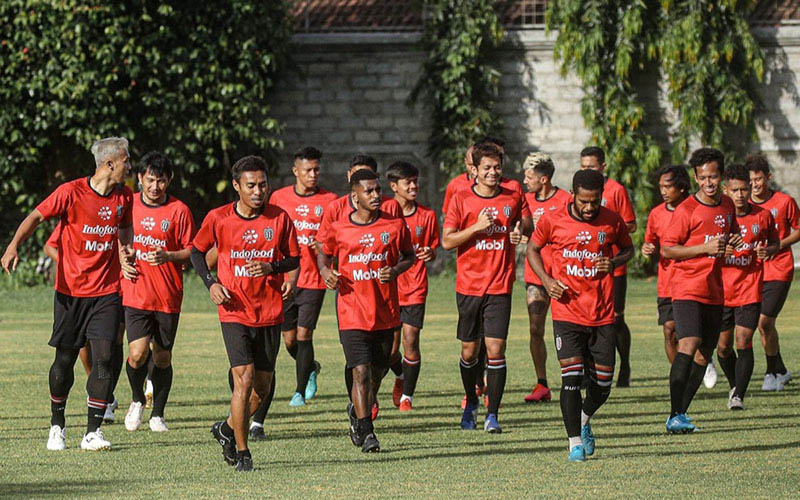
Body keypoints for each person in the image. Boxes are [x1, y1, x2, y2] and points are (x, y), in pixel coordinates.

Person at [2, 137, 133, 451]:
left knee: (104, 359)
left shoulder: (124, 196)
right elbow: (35, 217)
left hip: (107, 292)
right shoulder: (71, 193)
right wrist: (12, 246)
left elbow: (125, 226)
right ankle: (57, 424)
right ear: (109, 164)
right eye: (126, 161)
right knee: (64, 360)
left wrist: (126, 248)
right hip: (71, 294)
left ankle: (92, 432)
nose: (129, 166)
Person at [191, 155, 300, 472]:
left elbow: (293, 259)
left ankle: (226, 429)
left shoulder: (279, 219)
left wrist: (272, 267)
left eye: (263, 184)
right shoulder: (219, 218)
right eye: (250, 185)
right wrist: (211, 283)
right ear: (236, 186)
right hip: (234, 310)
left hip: (269, 312)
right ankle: (242, 452)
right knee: (244, 379)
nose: (257, 191)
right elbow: (197, 252)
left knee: (261, 389)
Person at [527, 168, 633, 462]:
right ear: (573, 195)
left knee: (602, 386)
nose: (589, 208)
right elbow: (532, 249)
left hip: (601, 314)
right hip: (567, 312)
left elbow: (628, 250)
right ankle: (574, 442)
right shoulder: (553, 219)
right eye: (584, 201)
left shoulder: (612, 220)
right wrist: (547, 282)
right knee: (571, 379)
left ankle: (584, 417)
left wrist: (612, 263)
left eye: (594, 201)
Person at [317, 168, 414, 452]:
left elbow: (408, 255)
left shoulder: (394, 226)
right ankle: (368, 431)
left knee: (378, 369)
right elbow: (324, 252)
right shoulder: (340, 228)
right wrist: (326, 271)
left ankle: (356, 414)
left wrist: (395, 270)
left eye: (377, 189)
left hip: (384, 312)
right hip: (351, 311)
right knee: (359, 371)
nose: (375, 195)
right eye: (368, 191)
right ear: (354, 195)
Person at [442, 142, 532, 434]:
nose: (493, 173)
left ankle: (493, 414)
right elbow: (447, 241)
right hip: (468, 285)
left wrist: (521, 230)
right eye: (487, 168)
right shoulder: (461, 198)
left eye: (497, 167)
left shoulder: (513, 193)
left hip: (500, 284)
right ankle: (471, 401)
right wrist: (476, 228)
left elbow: (526, 221)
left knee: (496, 348)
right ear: (475, 171)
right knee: (470, 352)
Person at [661, 148, 742, 433]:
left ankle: (680, 413)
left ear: (721, 176)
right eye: (703, 177)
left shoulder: (728, 205)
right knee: (689, 342)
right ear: (696, 178)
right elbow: (668, 248)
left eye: (713, 177)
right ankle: (674, 413)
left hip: (715, 290)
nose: (708, 183)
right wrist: (703, 248)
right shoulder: (686, 210)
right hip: (686, 287)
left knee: (703, 354)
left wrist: (733, 242)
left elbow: (733, 234)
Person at [120, 152, 195, 432]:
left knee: (162, 356)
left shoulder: (179, 211)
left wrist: (169, 256)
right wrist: (121, 258)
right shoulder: (127, 206)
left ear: (169, 181)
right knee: (138, 354)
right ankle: (138, 400)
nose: (155, 187)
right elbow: (112, 236)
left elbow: (192, 251)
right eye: (150, 180)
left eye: (161, 181)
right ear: (139, 179)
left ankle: (158, 414)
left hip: (167, 296)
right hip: (136, 293)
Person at [269, 147, 337, 409]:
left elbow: (334, 237)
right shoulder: (279, 198)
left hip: (313, 279)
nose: (313, 175)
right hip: (285, 279)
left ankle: (298, 391)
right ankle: (310, 367)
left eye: (316, 170)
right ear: (295, 171)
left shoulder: (330, 200)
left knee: (304, 334)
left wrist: (321, 247)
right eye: (307, 170)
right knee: (289, 340)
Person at [43, 223, 126, 423]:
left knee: (112, 343)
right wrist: (72, 264)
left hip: (116, 288)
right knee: (80, 347)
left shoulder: (123, 211)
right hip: (80, 292)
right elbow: (50, 246)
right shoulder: (79, 214)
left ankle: (102, 401)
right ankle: (96, 392)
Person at [716, 163, 778, 410]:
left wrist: (767, 250)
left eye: (744, 189)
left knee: (743, 340)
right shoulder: (718, 216)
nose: (741, 195)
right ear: (726, 190)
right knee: (722, 347)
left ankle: (738, 394)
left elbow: (774, 243)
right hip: (721, 292)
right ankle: (735, 383)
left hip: (749, 290)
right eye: (735, 190)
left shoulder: (762, 215)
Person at [579, 147, 636, 387]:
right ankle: (584, 370)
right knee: (582, 319)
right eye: (583, 167)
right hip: (584, 269)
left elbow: (630, 226)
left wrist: (607, 231)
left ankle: (624, 365)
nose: (587, 171)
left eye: (591, 167)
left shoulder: (616, 190)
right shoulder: (580, 193)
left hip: (613, 267)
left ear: (603, 167)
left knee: (615, 319)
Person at [386, 161, 440, 411]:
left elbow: (433, 249)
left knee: (411, 339)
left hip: (415, 286)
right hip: (388, 288)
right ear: (394, 186)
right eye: (408, 182)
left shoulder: (427, 216)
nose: (413, 186)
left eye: (416, 181)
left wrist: (430, 253)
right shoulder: (383, 214)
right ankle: (400, 375)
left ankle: (407, 396)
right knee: (390, 350)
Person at [520, 152, 571, 403]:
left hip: (564, 277)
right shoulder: (525, 201)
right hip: (536, 275)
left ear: (543, 179)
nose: (524, 180)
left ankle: (575, 378)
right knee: (535, 329)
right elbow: (521, 229)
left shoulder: (565, 200)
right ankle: (542, 384)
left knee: (569, 330)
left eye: (529, 176)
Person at [747, 153, 800, 391]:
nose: (755, 185)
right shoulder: (745, 206)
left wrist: (777, 246)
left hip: (779, 269)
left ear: (768, 177)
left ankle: (770, 373)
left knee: (764, 321)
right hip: (753, 273)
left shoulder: (784, 202)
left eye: (758, 179)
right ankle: (781, 370)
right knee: (762, 325)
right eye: (751, 181)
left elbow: (798, 230)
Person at [641, 165, 691, 363]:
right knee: (669, 329)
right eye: (661, 186)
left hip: (692, 281)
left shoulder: (695, 210)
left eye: (668, 187)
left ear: (681, 187)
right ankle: (678, 378)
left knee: (691, 332)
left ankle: (704, 359)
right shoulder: (656, 214)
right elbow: (650, 241)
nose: (663, 191)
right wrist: (648, 248)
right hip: (667, 282)